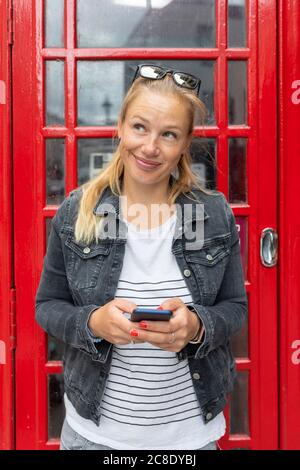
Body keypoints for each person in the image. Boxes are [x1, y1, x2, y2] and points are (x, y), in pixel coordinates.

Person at [35, 64, 247, 451]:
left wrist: (197, 327)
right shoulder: (77, 211)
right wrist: (92, 322)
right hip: (94, 437)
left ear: (185, 144)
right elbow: (47, 306)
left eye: (168, 134)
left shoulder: (214, 214)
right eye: (140, 127)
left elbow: (235, 307)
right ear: (120, 126)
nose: (150, 147)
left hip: (191, 440)